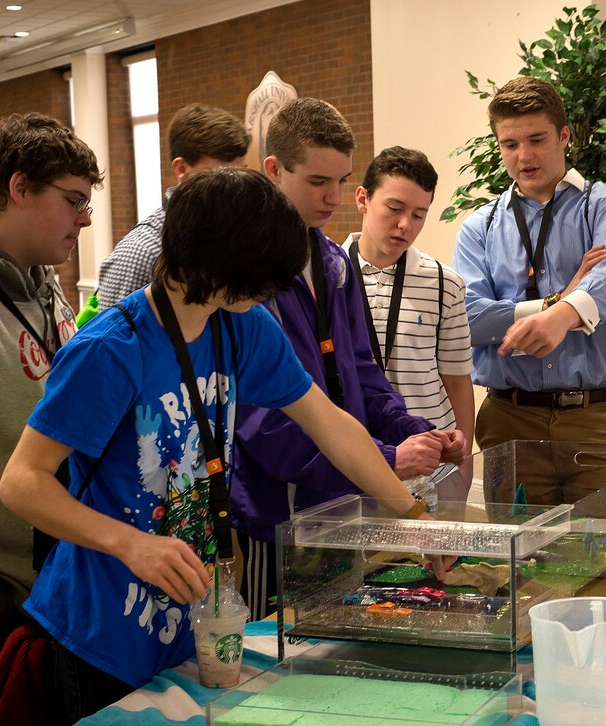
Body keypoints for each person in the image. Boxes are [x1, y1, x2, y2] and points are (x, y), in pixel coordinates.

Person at [0, 167, 445, 722]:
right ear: (212, 261)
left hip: (190, 621)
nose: (268, 291)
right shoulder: (112, 349)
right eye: (258, 276)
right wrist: (130, 544)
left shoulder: (242, 326)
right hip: (100, 629)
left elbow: (331, 425)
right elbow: (21, 481)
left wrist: (414, 516)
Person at [232, 99, 464, 618]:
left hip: (344, 501)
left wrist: (411, 430)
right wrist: (384, 462)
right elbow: (263, 425)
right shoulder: (247, 280)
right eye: (317, 181)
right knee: (279, 650)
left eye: (341, 180)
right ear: (273, 170)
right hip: (280, 510)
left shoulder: (333, 261)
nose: (333, 198)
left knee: (338, 633)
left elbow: (360, 372)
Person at [0, 112, 100, 725]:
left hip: (43, 595)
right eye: (72, 201)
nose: (85, 219)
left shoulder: (43, 286)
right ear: (18, 187)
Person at [451, 75, 606, 509]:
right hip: (510, 418)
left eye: (536, 139)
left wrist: (561, 317)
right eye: (510, 144)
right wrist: (557, 304)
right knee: (519, 564)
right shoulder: (479, 227)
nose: (524, 156)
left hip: (598, 417)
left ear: (564, 135)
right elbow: (468, 318)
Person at [343, 147, 474, 495]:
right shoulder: (330, 277)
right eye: (395, 208)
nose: (405, 225)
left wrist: (465, 462)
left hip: (431, 460)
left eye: (419, 214)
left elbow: (458, 380)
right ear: (363, 199)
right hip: (355, 458)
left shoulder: (445, 282)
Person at [96, 103, 248, 308]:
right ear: (181, 168)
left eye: (242, 173)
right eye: (221, 174)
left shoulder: (234, 239)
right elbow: (112, 336)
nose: (236, 188)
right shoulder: (141, 252)